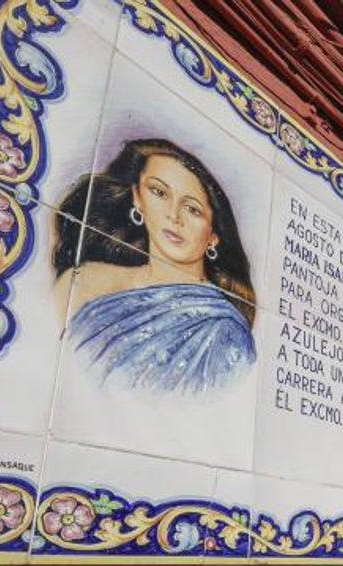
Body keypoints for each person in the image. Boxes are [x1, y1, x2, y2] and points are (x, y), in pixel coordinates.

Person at [52, 138, 256, 393]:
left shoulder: (223, 333)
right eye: (159, 192)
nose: (174, 215)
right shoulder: (82, 281)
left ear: (213, 234)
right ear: (138, 197)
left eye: (192, 209)